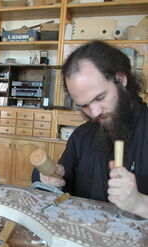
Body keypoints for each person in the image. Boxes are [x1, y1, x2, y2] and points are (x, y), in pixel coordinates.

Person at [32, 41, 148, 218]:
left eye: (100, 98)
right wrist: (50, 179)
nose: (95, 113)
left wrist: (139, 203)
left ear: (121, 80)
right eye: (84, 105)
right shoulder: (81, 136)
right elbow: (63, 185)